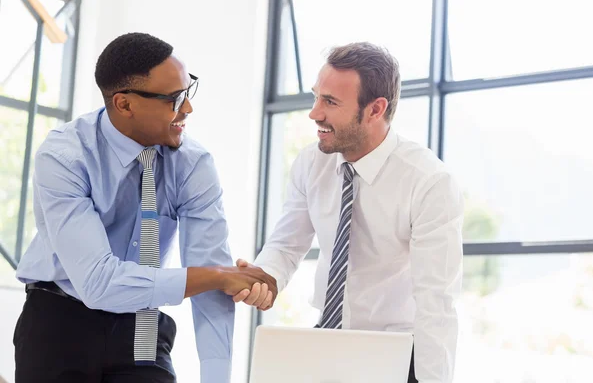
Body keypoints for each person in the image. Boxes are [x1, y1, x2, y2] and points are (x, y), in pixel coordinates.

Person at [14, 32, 276, 383]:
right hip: (60, 322)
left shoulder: (193, 164)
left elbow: (212, 281)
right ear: (124, 104)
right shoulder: (64, 157)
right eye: (174, 99)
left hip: (143, 323)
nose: (188, 108)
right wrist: (217, 275)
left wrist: (217, 377)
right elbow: (98, 282)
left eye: (188, 91)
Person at [237, 42, 464, 383]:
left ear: (375, 109)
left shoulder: (428, 182)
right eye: (317, 97)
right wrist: (265, 276)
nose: (314, 113)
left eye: (330, 102)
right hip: (328, 341)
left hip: (399, 352)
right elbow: (286, 245)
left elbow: (437, 303)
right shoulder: (311, 162)